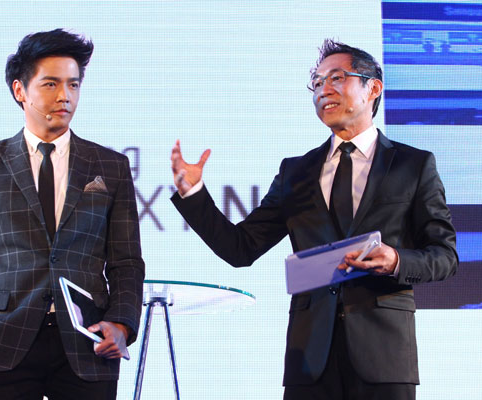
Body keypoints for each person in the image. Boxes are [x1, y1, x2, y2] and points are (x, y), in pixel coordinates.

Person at [170, 39, 457, 400]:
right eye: (317, 83)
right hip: (309, 360)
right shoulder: (297, 172)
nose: (323, 90)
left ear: (373, 88)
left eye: (336, 78)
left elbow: (445, 256)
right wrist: (193, 194)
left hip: (384, 357)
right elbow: (240, 248)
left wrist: (397, 260)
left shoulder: (412, 165)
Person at [0, 29, 145, 400]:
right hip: (1, 343)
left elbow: (127, 262)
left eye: (73, 84)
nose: (64, 95)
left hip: (88, 344)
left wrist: (122, 323)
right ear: (20, 90)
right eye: (51, 84)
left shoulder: (111, 166)